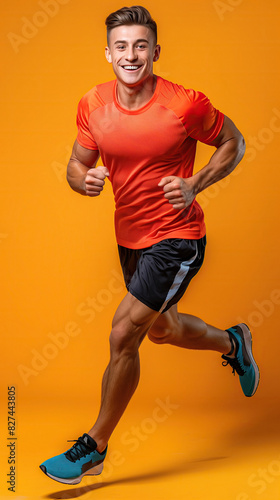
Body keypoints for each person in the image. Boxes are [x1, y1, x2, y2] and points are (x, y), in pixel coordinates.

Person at [39, 5, 259, 485]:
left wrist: (195, 183)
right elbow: (75, 165)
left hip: (178, 238)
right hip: (130, 238)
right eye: (121, 46)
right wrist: (85, 180)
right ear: (108, 53)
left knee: (123, 334)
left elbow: (235, 142)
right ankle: (233, 342)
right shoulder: (92, 104)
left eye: (141, 45)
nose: (131, 55)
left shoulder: (184, 104)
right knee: (162, 331)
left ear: (155, 51)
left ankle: (93, 446)